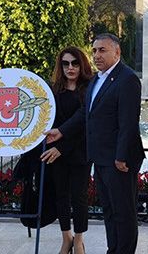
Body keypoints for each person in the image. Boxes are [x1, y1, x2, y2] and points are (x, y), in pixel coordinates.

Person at [46, 33, 144, 254]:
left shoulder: (127, 79)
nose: (97, 55)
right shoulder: (97, 80)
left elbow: (128, 122)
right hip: (100, 158)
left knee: (124, 213)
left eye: (103, 50)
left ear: (117, 52)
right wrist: (60, 131)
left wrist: (121, 157)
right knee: (109, 211)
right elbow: (85, 114)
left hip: (119, 161)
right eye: (95, 50)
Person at [40, 47, 94, 254]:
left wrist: (61, 147)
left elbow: (86, 124)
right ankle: (66, 238)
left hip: (79, 152)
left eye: (75, 63)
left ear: (82, 64)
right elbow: (49, 122)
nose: (70, 68)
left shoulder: (90, 88)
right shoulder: (53, 91)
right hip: (56, 153)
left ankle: (79, 240)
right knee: (60, 195)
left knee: (79, 196)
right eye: (65, 63)